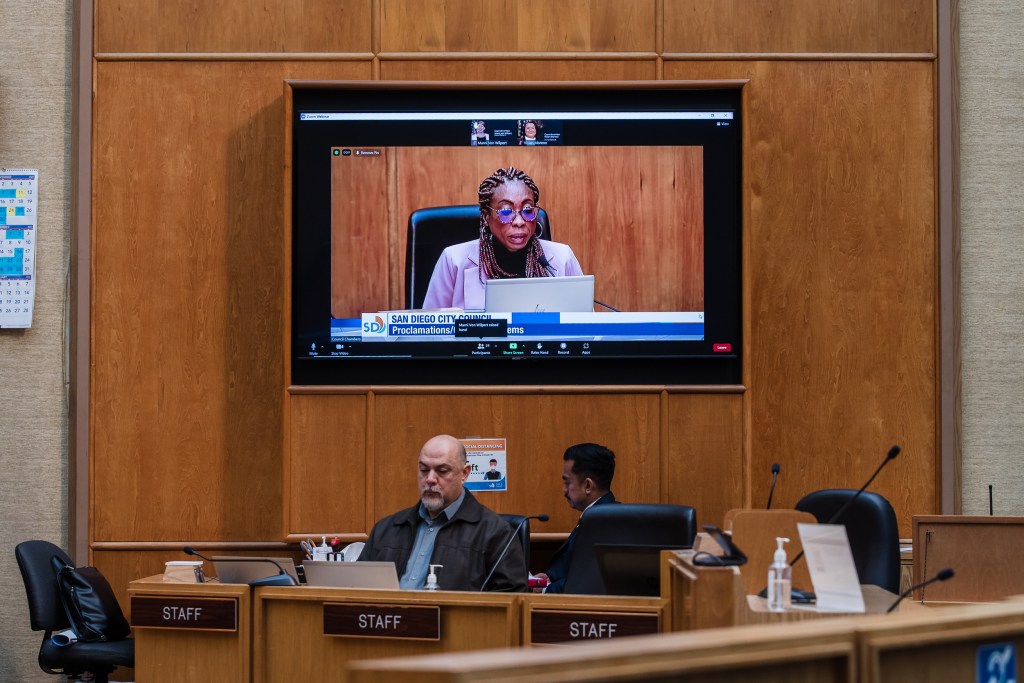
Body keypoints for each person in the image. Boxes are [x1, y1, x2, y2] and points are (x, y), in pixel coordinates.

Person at [359, 434, 527, 592]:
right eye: (424, 470)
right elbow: (357, 589)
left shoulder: (496, 533)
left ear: (464, 473)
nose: (430, 479)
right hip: (388, 621)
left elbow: (510, 599)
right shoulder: (386, 529)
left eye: (442, 470)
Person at [421, 167, 583, 310]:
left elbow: (586, 327)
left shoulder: (563, 258)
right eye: (506, 212)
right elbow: (430, 332)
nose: (519, 222)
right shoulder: (453, 261)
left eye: (527, 211)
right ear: (486, 217)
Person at [533, 443, 618, 593]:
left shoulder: (604, 522)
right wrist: (549, 577)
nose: (564, 490)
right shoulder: (598, 516)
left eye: (567, 482)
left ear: (587, 486)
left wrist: (546, 590)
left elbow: (588, 582)